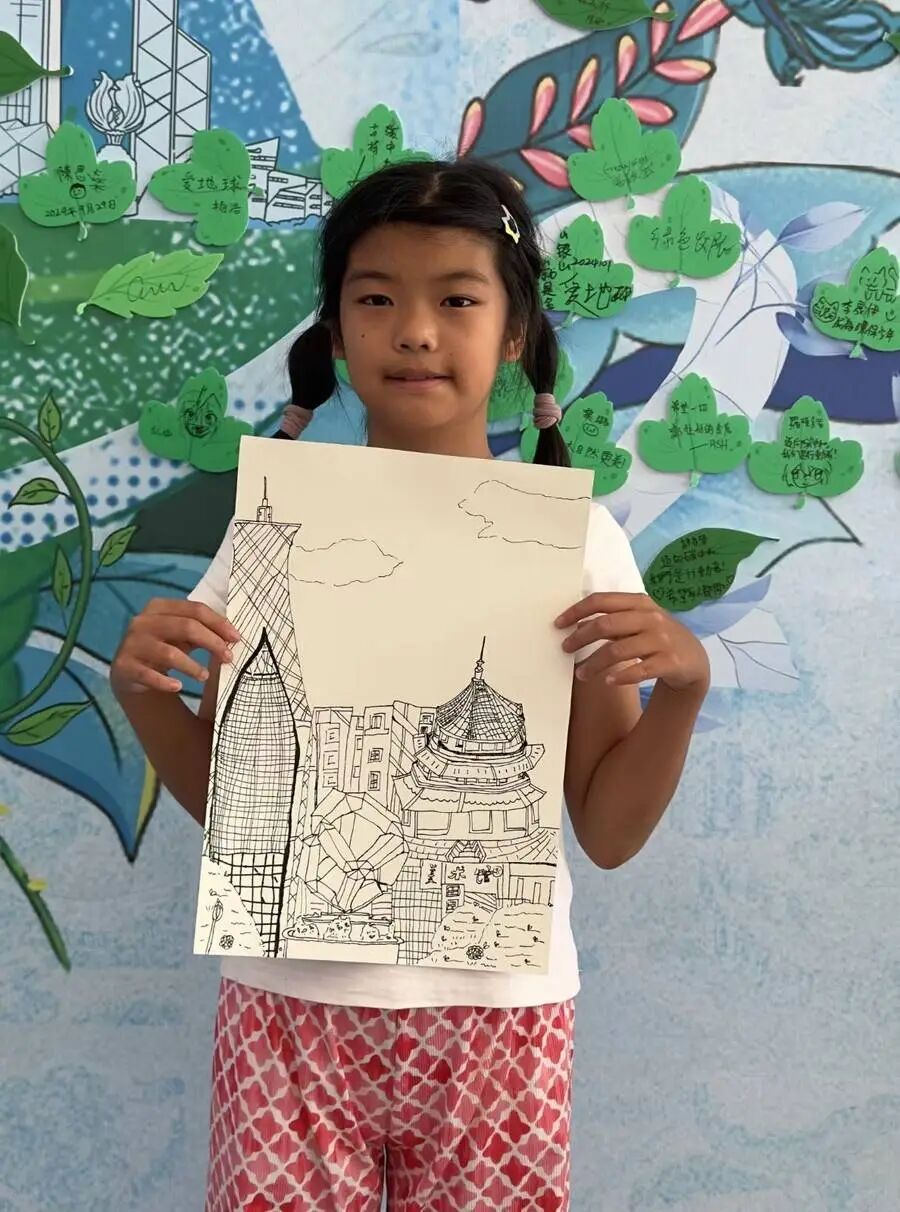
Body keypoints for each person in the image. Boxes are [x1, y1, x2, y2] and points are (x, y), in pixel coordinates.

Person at [111, 158, 710, 1212]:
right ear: (338, 334)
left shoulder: (576, 543)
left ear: (515, 333)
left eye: (458, 300)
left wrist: (687, 690)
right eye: (378, 298)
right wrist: (145, 693)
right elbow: (245, 806)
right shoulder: (270, 533)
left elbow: (609, 833)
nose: (417, 331)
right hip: (286, 1004)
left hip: (503, 1012)